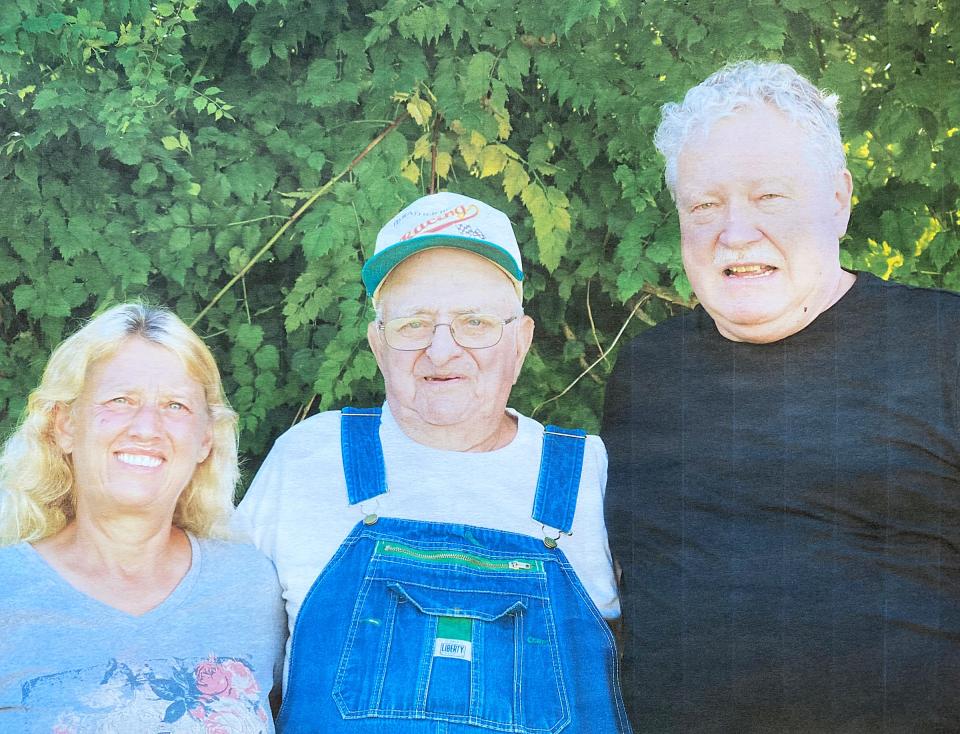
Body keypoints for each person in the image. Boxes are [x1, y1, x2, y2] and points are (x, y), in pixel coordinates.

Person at [602, 60, 960, 732]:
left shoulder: (945, 345)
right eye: (705, 204)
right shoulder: (649, 372)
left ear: (838, 199)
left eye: (769, 198)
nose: (735, 232)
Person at [237, 191, 632, 733]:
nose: (442, 350)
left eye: (474, 323)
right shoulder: (308, 459)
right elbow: (227, 673)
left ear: (521, 341)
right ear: (377, 342)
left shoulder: (595, 476)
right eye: (413, 324)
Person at [0, 303, 285, 733]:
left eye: (175, 406)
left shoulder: (253, 586)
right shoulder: (9, 592)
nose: (147, 428)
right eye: (120, 400)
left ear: (206, 438)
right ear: (64, 424)